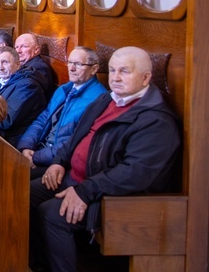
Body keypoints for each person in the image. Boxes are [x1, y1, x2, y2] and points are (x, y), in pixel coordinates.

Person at [29, 47, 181, 272]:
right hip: (74, 176)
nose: (116, 78)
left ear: (146, 77)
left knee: (51, 214)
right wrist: (58, 162)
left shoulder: (156, 120)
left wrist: (85, 191)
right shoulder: (106, 100)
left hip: (111, 195)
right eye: (112, 70)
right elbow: (76, 137)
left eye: (125, 72)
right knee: (23, 192)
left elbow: (135, 173)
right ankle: (36, 263)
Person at [17, 46, 106, 179]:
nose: (71, 68)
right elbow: (43, 118)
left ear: (94, 69)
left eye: (78, 64)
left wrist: (36, 157)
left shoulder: (98, 99)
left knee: (12, 178)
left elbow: (74, 141)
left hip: (58, 161)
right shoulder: (64, 89)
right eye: (70, 62)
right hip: (39, 150)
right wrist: (26, 145)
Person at [15, 33, 58, 101]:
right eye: (16, 47)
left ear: (36, 50)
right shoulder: (21, 64)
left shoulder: (39, 68)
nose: (18, 51)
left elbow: (24, 97)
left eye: (24, 46)